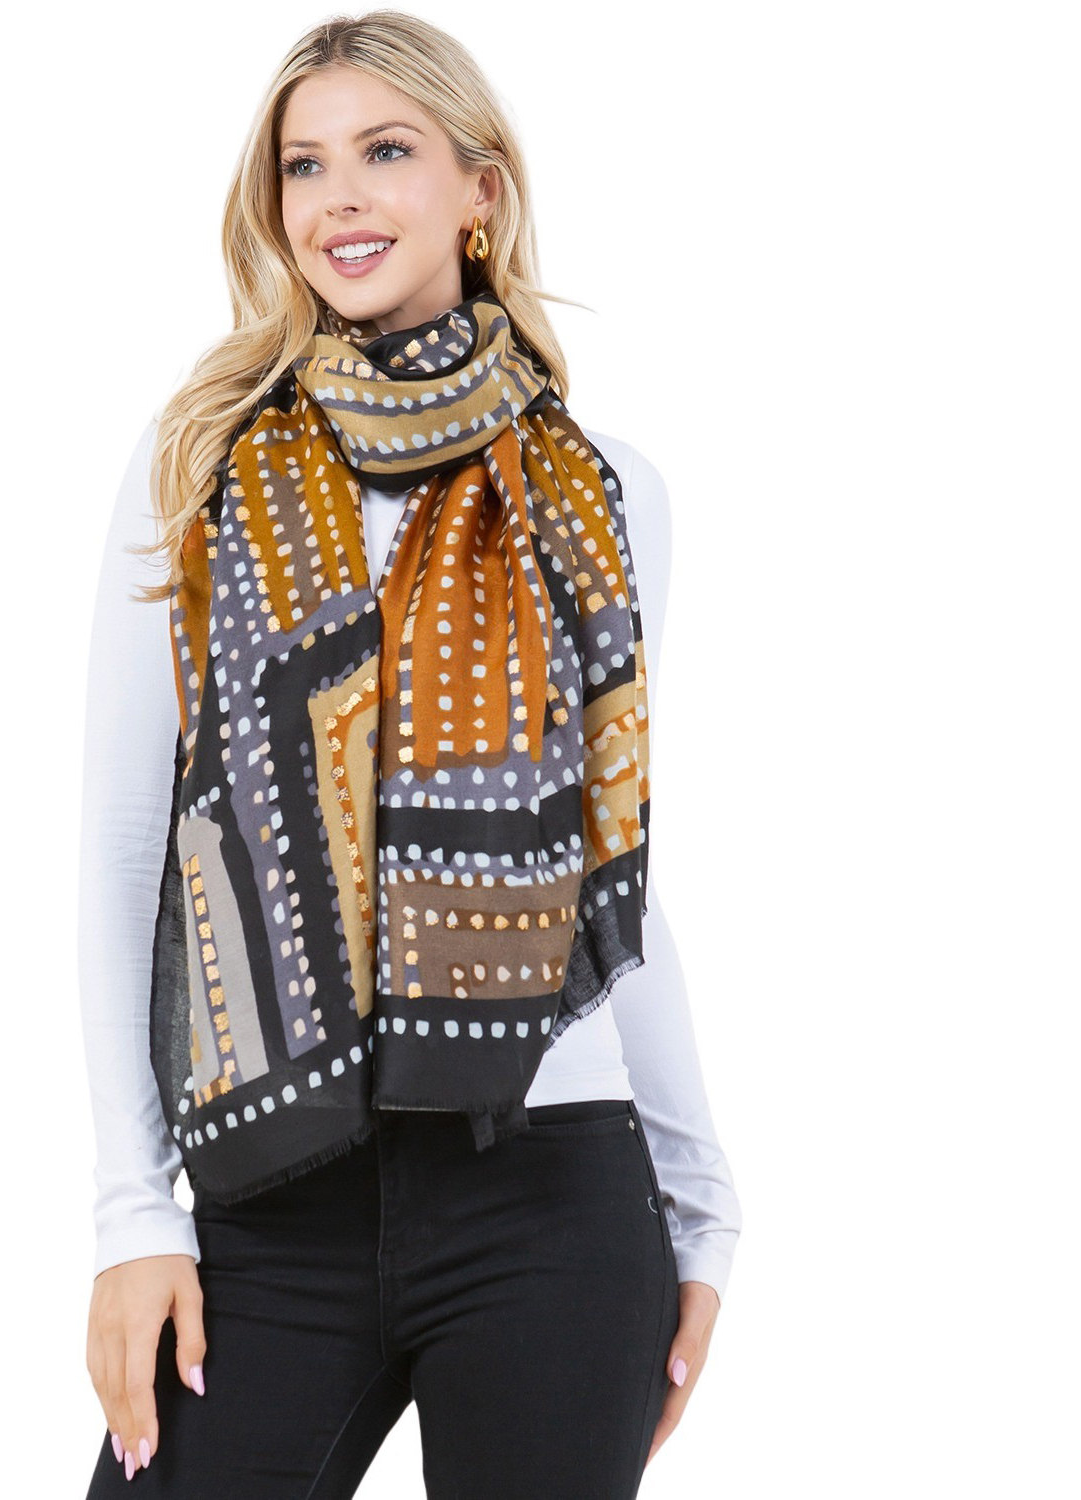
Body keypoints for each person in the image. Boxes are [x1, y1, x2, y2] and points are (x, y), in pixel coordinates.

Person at [78, 13, 742, 1495]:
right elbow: (128, 847)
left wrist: (702, 1204)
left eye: (385, 151)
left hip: (555, 1188)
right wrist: (135, 1215)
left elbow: (611, 873)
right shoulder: (202, 463)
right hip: (273, 1182)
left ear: (479, 189)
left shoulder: (605, 492)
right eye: (304, 165)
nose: (340, 199)